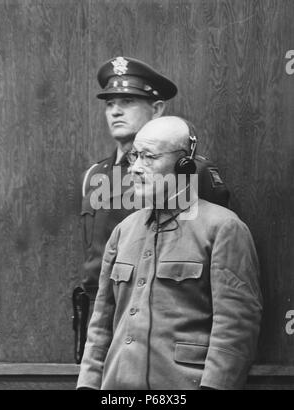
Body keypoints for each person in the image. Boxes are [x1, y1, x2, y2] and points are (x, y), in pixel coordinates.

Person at [77, 116, 262, 390]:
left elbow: (235, 328)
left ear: (183, 164)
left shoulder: (223, 228)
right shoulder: (123, 231)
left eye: (149, 157)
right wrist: (88, 386)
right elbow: (101, 325)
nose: (136, 168)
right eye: (134, 156)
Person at [74, 56, 229, 363]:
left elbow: (212, 259)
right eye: (110, 103)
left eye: (127, 101)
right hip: (105, 326)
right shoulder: (95, 176)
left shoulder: (191, 172)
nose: (115, 110)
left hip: (166, 333)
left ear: (157, 109)